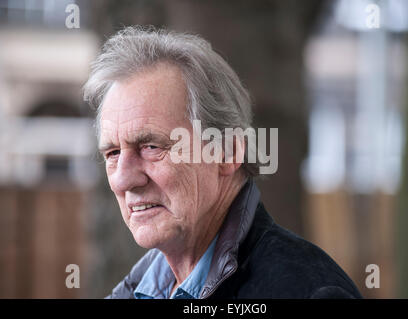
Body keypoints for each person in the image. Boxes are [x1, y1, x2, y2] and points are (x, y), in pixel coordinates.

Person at [83, 26, 362, 299]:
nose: (122, 179)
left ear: (227, 152)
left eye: (151, 146)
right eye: (113, 153)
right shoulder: (137, 291)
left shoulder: (311, 291)